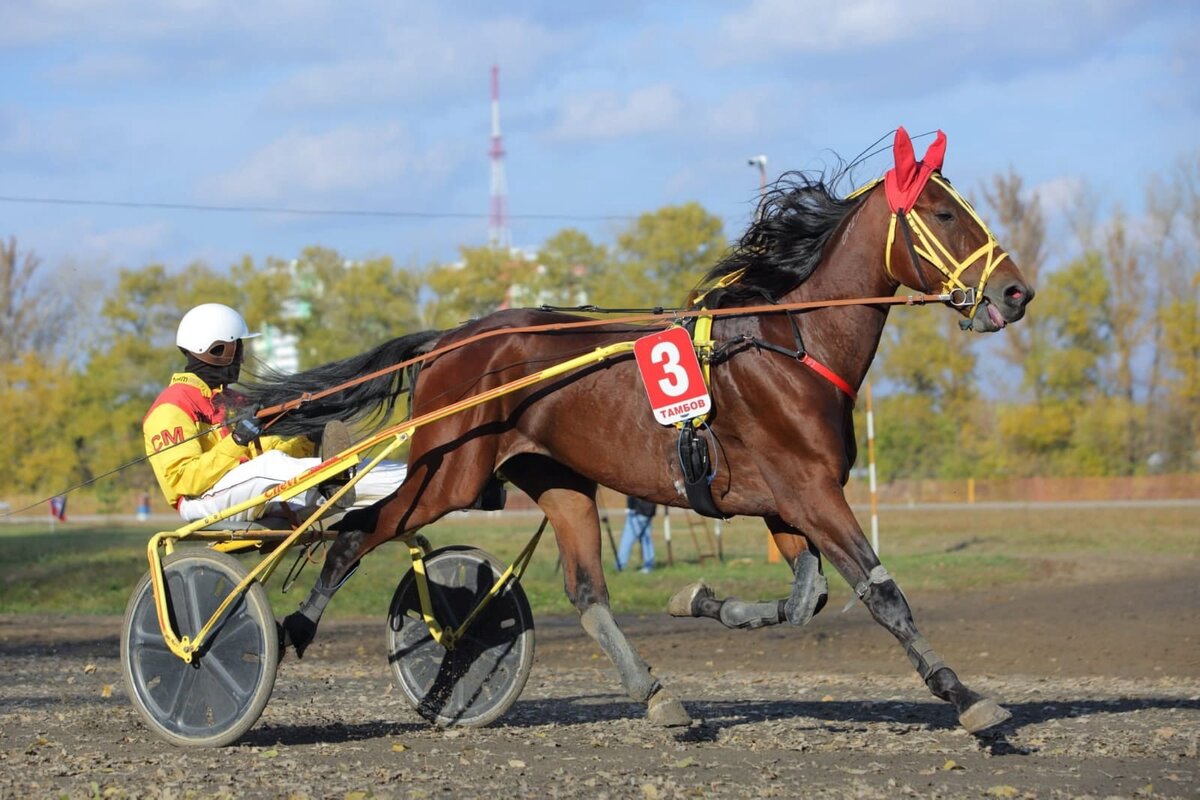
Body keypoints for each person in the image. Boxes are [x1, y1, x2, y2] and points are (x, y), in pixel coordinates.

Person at [143, 302, 407, 523]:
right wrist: (237, 442)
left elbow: (269, 449)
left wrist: (306, 437)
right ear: (216, 351)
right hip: (200, 501)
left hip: (244, 490)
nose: (242, 360)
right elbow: (183, 481)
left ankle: (409, 477)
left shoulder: (232, 399)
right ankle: (337, 482)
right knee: (269, 468)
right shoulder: (171, 406)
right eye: (238, 350)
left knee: (333, 477)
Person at [616, 495, 656, 573]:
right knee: (646, 539)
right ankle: (649, 565)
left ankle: (620, 565)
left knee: (627, 538)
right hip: (648, 510)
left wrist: (630, 507)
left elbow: (632, 490)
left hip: (638, 510)